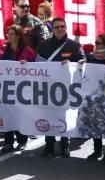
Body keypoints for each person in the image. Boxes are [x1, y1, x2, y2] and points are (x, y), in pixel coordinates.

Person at [36, 17, 85, 157]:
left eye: (62, 26)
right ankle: (49, 144)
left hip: (66, 88)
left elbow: (83, 63)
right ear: (52, 29)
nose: (59, 29)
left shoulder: (74, 46)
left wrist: (78, 63)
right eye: (56, 27)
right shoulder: (43, 45)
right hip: (48, 87)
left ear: (66, 27)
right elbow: (37, 65)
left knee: (64, 116)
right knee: (48, 115)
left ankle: (65, 145)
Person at [0, 25, 36, 152]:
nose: (10, 36)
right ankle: (8, 142)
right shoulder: (2, 49)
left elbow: (36, 68)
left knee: (19, 115)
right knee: (6, 115)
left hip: (21, 89)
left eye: (12, 34)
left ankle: (22, 139)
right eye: (8, 34)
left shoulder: (27, 51)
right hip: (6, 88)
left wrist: (27, 65)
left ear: (18, 36)